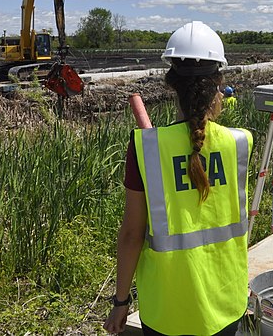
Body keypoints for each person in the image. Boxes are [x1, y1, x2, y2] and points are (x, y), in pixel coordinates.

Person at [104, 21, 253, 336]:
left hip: (167, 308)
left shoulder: (145, 148)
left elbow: (132, 234)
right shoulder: (240, 142)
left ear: (171, 84)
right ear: (218, 84)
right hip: (225, 300)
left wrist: (120, 301)